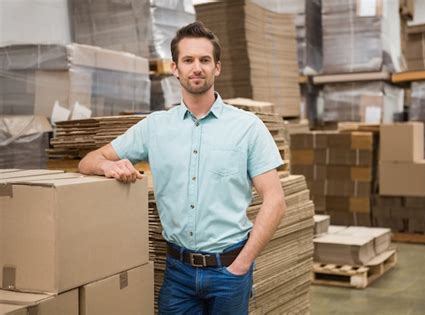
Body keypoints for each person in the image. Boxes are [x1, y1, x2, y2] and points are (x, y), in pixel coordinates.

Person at [78, 21, 286, 315]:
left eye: (204, 60)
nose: (196, 67)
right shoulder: (155, 127)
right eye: (188, 60)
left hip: (229, 271)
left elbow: (275, 201)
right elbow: (87, 160)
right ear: (175, 68)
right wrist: (108, 167)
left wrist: (241, 264)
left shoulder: (248, 127)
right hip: (178, 273)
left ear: (217, 68)